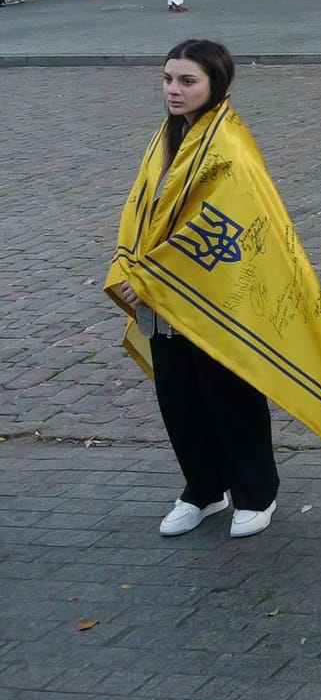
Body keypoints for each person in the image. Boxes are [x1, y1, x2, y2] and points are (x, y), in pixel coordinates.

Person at [107, 41, 278, 537]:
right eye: (167, 79)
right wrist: (133, 268)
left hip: (213, 293)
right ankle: (203, 490)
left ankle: (256, 492)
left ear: (215, 85)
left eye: (187, 81)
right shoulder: (166, 136)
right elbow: (142, 204)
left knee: (230, 393)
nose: (174, 91)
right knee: (179, 397)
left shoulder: (229, 142)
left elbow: (226, 220)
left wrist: (152, 278)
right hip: (159, 298)